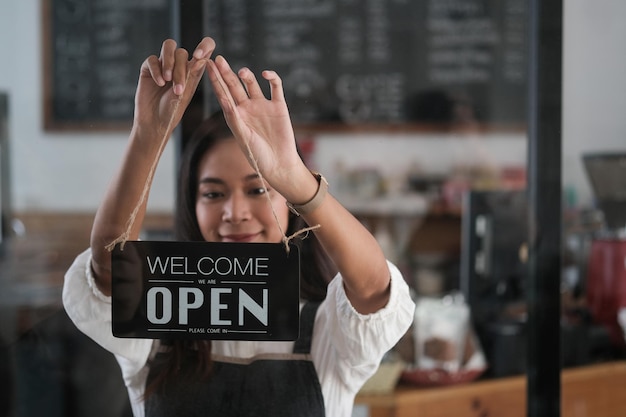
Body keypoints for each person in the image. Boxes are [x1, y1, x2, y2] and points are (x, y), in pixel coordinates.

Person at [63, 37, 415, 417]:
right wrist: (149, 135)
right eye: (213, 195)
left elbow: (374, 288)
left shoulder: (325, 325)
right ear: (191, 205)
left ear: (289, 204)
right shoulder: (158, 317)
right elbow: (109, 270)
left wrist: (294, 178)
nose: (235, 212)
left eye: (258, 189)